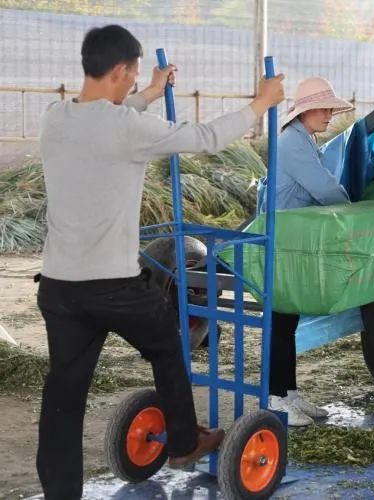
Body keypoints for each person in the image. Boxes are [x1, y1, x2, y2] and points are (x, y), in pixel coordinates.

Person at [35, 24, 284, 499]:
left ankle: (60, 494)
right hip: (112, 286)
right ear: (119, 70)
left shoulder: (55, 118)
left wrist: (151, 91)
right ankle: (186, 442)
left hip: (59, 286)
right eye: (132, 76)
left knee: (63, 394)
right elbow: (206, 137)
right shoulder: (126, 129)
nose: (132, 84)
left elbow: (110, 116)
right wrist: (261, 104)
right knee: (169, 344)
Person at [261, 77, 353, 426]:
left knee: (288, 318)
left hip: (292, 242)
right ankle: (274, 396)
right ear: (306, 110)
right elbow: (325, 189)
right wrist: (353, 212)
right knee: (280, 320)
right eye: (325, 108)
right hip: (281, 240)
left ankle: (289, 392)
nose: (330, 114)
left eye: (331, 108)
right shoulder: (293, 144)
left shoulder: (304, 140)